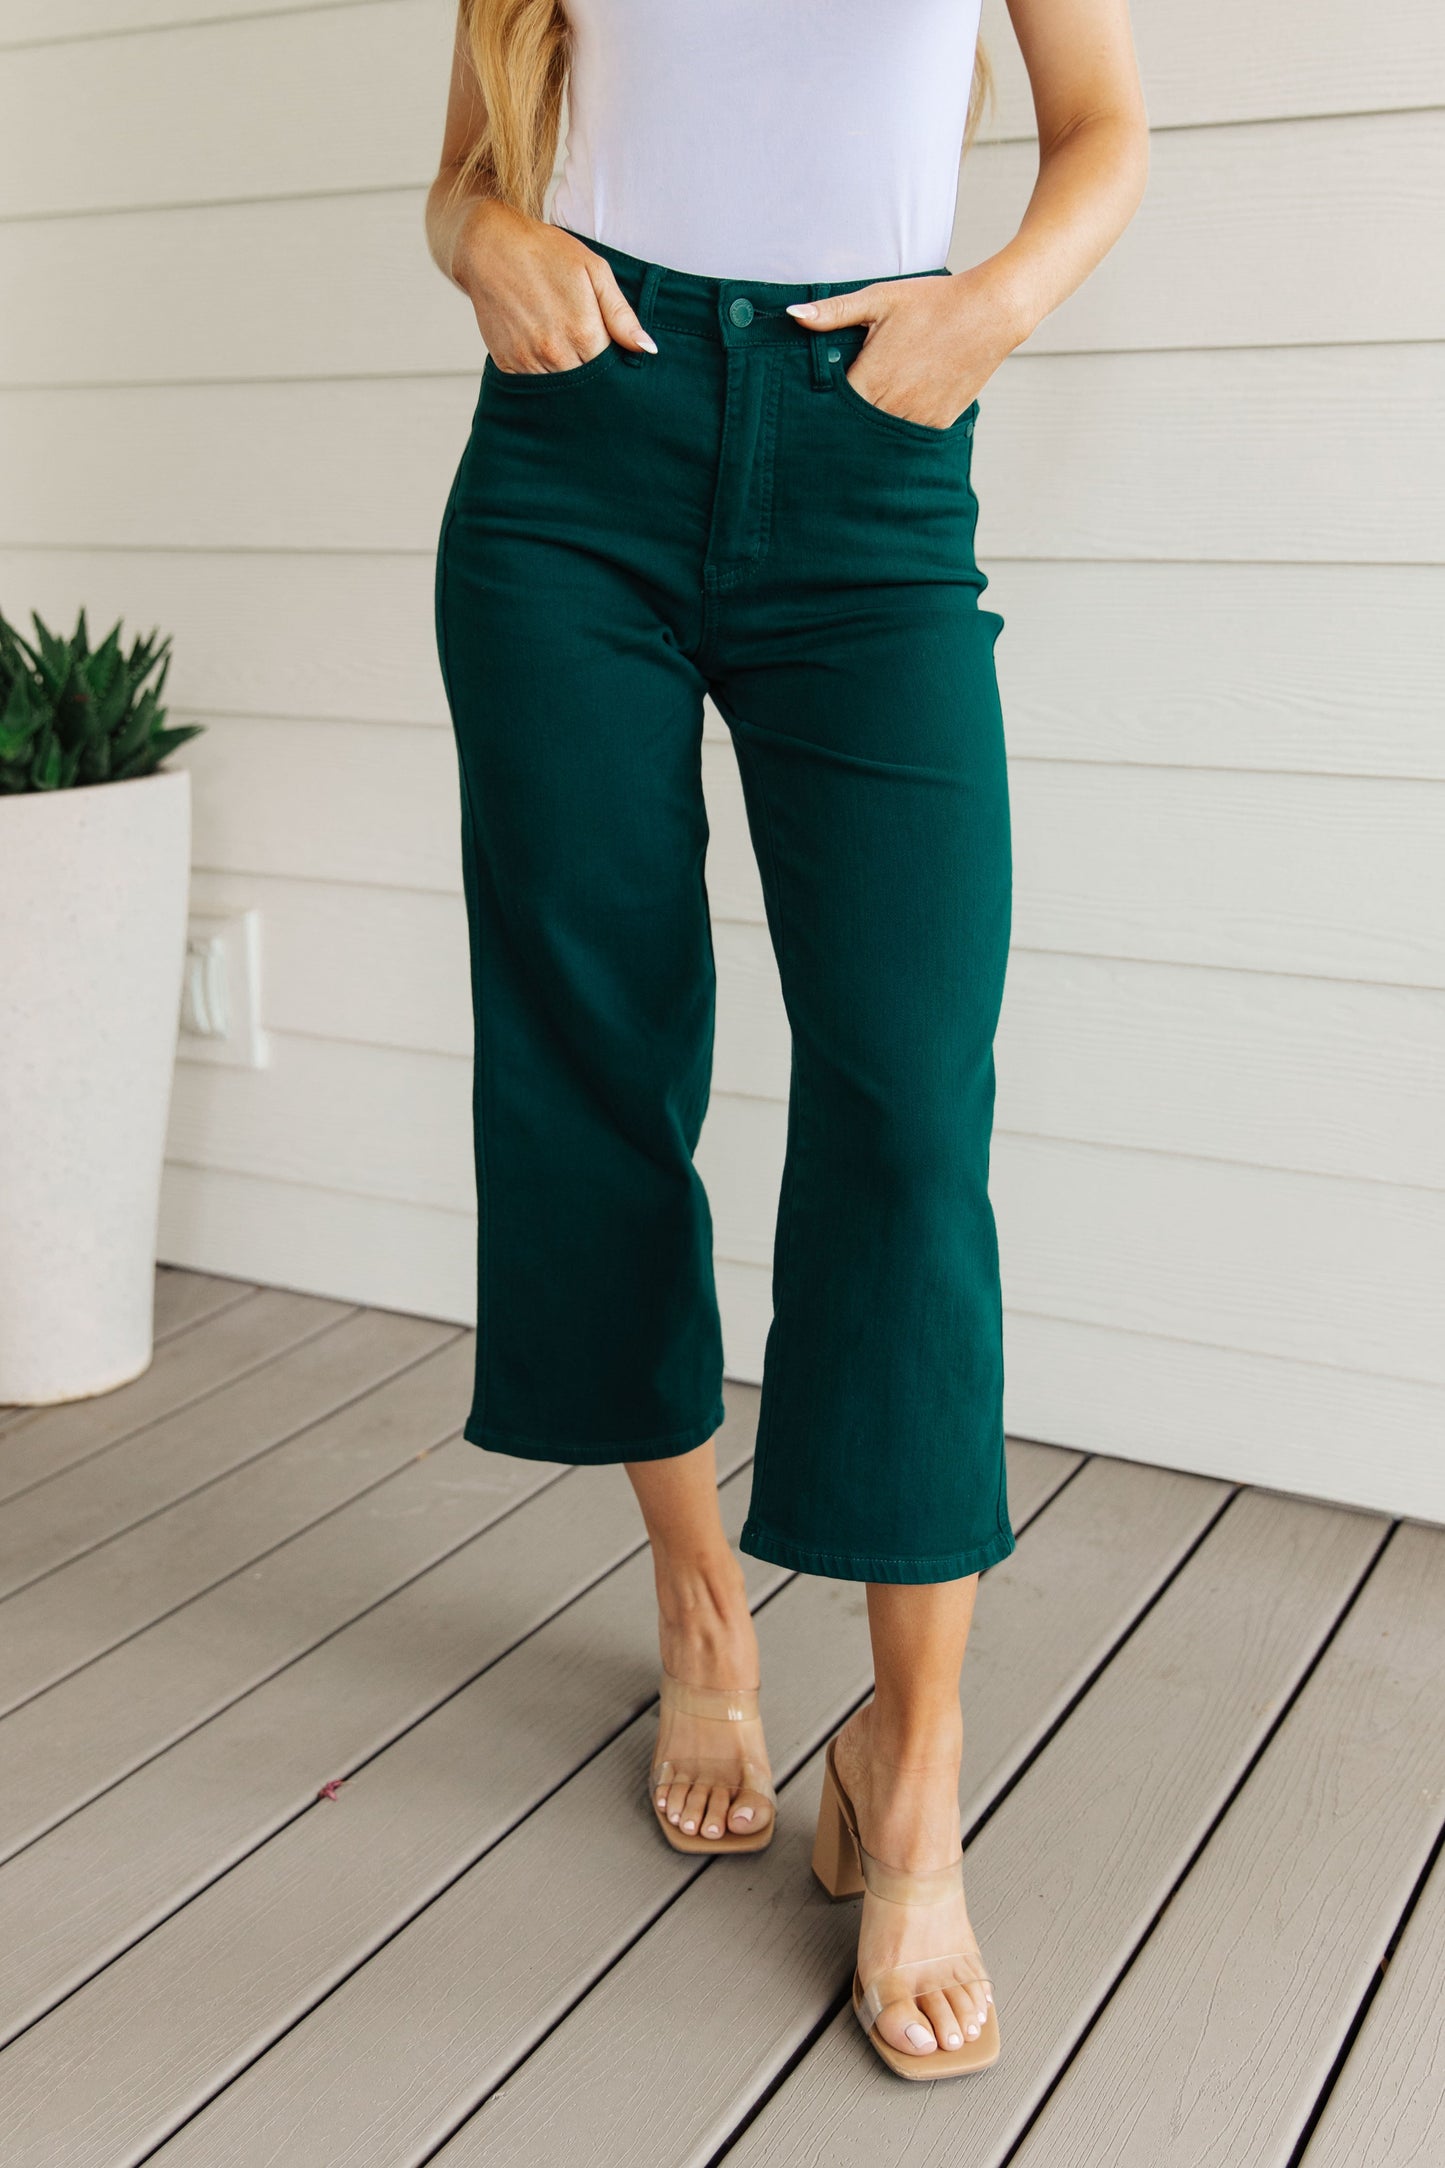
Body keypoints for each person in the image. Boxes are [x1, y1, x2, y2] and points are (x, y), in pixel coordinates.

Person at [426, 0, 1147, 2080]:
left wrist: (992, 306)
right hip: (575, 458)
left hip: (870, 461)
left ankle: (909, 1776)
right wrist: (483, 241)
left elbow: (1102, 125)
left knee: (909, 1111)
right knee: (593, 1057)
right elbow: (464, 168)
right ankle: (699, 1604)